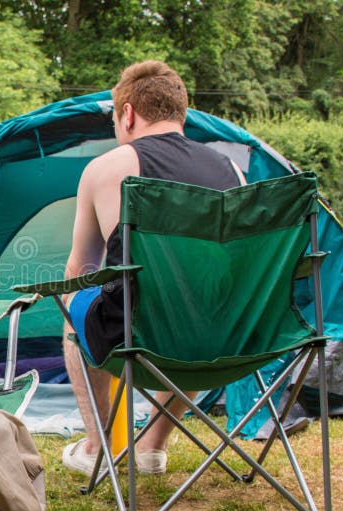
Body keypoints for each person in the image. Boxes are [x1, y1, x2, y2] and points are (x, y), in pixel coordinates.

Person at [61, 60, 246, 476]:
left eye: (114, 117)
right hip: (224, 340)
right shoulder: (231, 170)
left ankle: (97, 446)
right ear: (179, 114)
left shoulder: (108, 168)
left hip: (136, 336)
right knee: (204, 307)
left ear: (128, 113)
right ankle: (152, 447)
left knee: (71, 307)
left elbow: (80, 270)